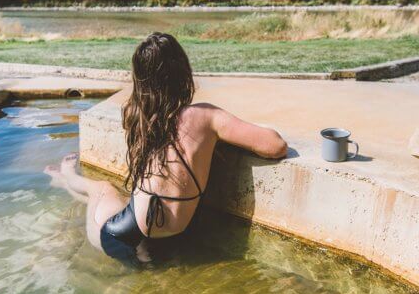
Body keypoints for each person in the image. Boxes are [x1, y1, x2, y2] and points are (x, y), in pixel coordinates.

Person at [46, 32, 288, 263]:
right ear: (183, 72)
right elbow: (276, 146)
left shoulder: (137, 116)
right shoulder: (206, 117)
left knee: (103, 189)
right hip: (164, 241)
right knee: (102, 189)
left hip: (121, 239)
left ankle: (65, 177)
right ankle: (65, 177)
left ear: (140, 79)